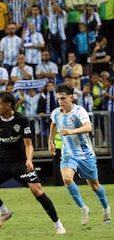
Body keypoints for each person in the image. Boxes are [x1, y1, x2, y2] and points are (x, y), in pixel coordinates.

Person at [0, 91, 66, 234]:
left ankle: (58, 224)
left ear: (8, 105)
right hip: (1, 163)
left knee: (37, 191)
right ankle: (4, 212)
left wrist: (29, 160)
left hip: (20, 163)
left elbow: (29, 144)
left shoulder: (21, 120)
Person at [48, 84, 111, 225]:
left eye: (63, 98)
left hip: (85, 154)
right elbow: (53, 124)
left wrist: (71, 131)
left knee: (94, 185)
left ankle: (106, 208)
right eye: (58, 99)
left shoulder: (79, 111)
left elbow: (88, 127)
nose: (60, 101)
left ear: (71, 97)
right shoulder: (56, 112)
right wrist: (50, 141)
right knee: (67, 179)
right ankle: (83, 208)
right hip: (68, 154)